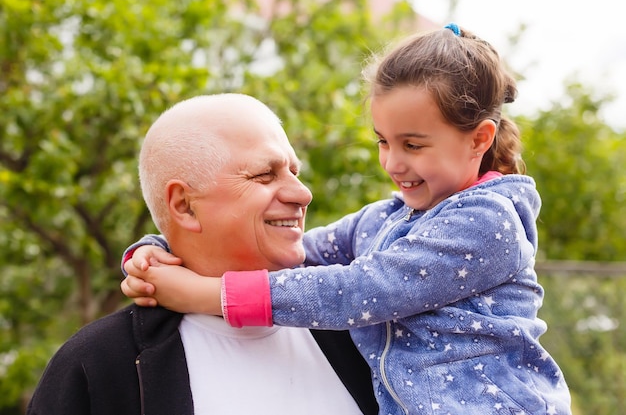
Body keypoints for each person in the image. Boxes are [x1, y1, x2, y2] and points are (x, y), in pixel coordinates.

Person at [122, 24, 572, 414]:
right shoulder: (388, 218)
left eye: (412, 145)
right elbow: (297, 252)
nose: (393, 163)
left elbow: (360, 291)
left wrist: (207, 295)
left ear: (479, 140)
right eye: (383, 141)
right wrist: (163, 250)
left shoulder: (489, 224)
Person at [27, 93, 378, 415]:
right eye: (264, 175)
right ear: (184, 206)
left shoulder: (366, 329)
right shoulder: (97, 367)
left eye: (294, 172)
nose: (303, 194)